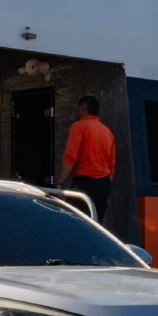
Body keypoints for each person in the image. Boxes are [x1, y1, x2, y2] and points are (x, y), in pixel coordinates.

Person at [59, 95, 116, 223]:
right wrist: (107, 191)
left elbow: (70, 157)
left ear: (83, 109)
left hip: (87, 184)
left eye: (78, 108)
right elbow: (111, 165)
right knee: (96, 226)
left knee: (80, 223)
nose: (76, 111)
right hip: (104, 185)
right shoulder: (107, 132)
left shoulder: (79, 127)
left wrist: (59, 183)